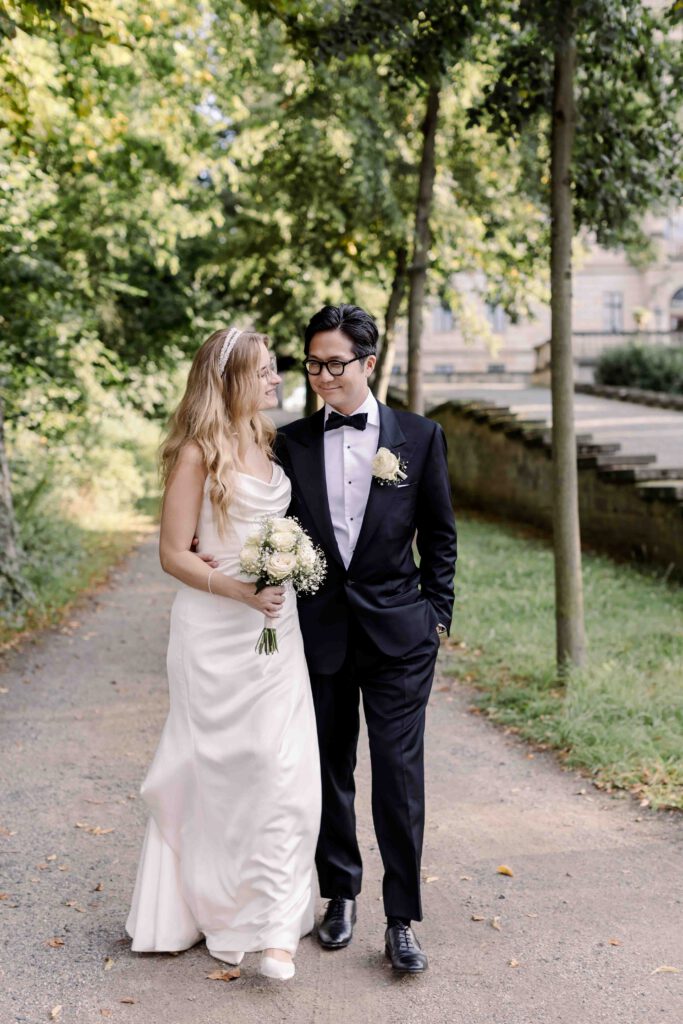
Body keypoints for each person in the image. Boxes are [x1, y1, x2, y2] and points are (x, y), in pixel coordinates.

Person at [125, 327, 321, 982]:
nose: (275, 378)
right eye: (263, 371)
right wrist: (239, 590)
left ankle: (275, 927)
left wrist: (285, 572)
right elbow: (172, 553)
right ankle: (212, 904)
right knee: (215, 771)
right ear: (230, 380)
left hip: (276, 630)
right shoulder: (196, 454)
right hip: (213, 630)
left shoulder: (268, 441)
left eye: (273, 368)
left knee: (282, 767)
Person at [274, 304, 457, 973]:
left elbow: (440, 536)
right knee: (329, 771)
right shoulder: (288, 443)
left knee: (399, 778)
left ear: (369, 363)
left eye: (335, 364)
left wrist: (436, 616)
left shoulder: (420, 437)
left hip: (400, 636)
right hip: (319, 633)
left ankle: (401, 919)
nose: (323, 377)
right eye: (313, 365)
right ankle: (340, 894)